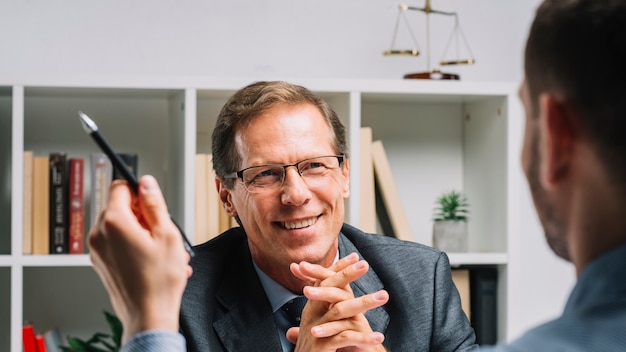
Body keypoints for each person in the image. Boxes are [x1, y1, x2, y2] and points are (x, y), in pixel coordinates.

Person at [88, 80, 477, 351]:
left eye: (314, 167)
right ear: (226, 196)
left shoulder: (423, 279)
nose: (296, 194)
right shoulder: (178, 297)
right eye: (266, 174)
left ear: (344, 176)